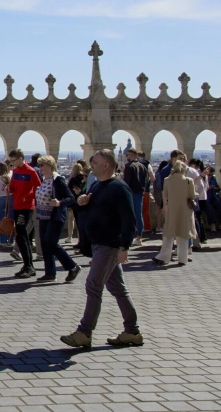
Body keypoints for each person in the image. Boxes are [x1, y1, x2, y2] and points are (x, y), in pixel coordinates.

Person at [60, 149, 143, 349]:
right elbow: (92, 209)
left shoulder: (119, 187)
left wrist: (124, 246)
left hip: (110, 244)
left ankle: (84, 332)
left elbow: (128, 220)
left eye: (95, 161)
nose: (91, 164)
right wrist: (82, 203)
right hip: (99, 244)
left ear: (106, 165)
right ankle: (132, 331)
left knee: (93, 285)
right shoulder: (97, 186)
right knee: (117, 288)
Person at [35, 156, 80, 282]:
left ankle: (72, 266)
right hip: (43, 216)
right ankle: (50, 273)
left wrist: (59, 202)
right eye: (40, 165)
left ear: (50, 165)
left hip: (55, 217)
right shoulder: (44, 179)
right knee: (45, 244)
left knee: (51, 243)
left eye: (42, 165)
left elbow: (70, 198)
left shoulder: (57, 180)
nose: (40, 168)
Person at [154, 160, 196, 266]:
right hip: (185, 209)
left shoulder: (167, 180)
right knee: (183, 234)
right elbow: (192, 196)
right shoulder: (188, 180)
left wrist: (165, 206)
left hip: (172, 208)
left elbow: (165, 195)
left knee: (169, 233)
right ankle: (182, 258)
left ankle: (163, 256)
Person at [8, 148, 41, 278]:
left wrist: (27, 197)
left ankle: (29, 266)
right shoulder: (15, 171)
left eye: (13, 160)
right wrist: (9, 187)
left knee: (22, 234)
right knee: (20, 235)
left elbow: (38, 188)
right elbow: (13, 187)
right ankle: (27, 265)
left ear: (20, 158)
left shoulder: (31, 172)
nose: (12, 163)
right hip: (16, 205)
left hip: (26, 206)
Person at [122, 148, 147, 246]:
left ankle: (130, 236)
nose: (127, 157)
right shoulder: (143, 166)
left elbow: (126, 182)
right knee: (138, 214)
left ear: (132, 155)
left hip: (131, 192)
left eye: (128, 155)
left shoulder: (129, 166)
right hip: (140, 192)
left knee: (129, 215)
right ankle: (139, 236)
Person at [66, 162, 87, 244]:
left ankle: (70, 237)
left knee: (71, 220)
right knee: (80, 223)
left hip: (74, 203)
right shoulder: (84, 178)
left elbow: (69, 192)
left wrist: (69, 204)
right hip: (82, 202)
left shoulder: (72, 179)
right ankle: (80, 240)